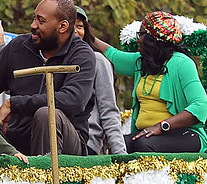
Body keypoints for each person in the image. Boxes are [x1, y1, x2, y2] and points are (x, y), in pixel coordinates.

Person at [0, 0, 96, 156]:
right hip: (17, 139)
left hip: (67, 144)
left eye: (41, 21)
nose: (33, 25)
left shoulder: (82, 55)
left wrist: (14, 104)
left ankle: (45, 178)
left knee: (47, 114)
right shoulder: (19, 47)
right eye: (34, 18)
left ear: (62, 26)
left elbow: (73, 100)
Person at [89, 11, 207, 153]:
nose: (138, 39)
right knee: (118, 146)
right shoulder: (142, 62)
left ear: (154, 39)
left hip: (184, 135)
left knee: (143, 145)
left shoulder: (182, 63)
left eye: (141, 34)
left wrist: (162, 126)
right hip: (146, 136)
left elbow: (201, 105)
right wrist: (85, 32)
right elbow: (113, 55)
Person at [72, 6, 127, 155]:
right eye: (70, 26)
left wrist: (120, 154)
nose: (75, 31)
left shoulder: (97, 61)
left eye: (79, 26)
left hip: (87, 143)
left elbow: (108, 109)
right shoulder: (49, 60)